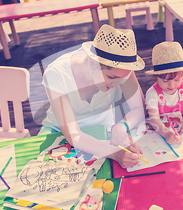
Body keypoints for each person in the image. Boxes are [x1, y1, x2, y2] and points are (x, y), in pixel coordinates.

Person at [40, 24, 145, 168]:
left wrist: (120, 127)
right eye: (112, 77)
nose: (117, 85)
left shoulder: (122, 69)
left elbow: (139, 108)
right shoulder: (56, 74)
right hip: (57, 133)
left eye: (122, 79)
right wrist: (115, 153)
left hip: (103, 130)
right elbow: (73, 135)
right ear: (92, 63)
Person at [145, 41, 183, 145]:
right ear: (156, 76)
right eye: (165, 81)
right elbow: (154, 120)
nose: (171, 85)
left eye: (177, 80)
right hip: (161, 134)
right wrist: (166, 134)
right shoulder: (152, 93)